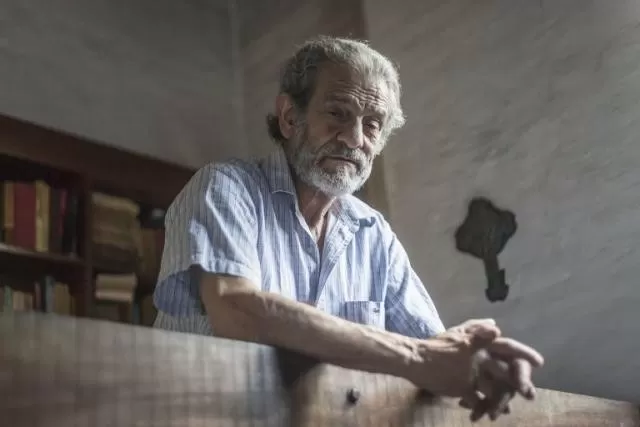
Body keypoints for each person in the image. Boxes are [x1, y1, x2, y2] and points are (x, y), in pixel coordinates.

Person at [152, 35, 544, 421]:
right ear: (290, 117)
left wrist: (479, 361)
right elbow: (237, 311)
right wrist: (417, 356)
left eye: (372, 124)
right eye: (338, 114)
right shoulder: (225, 187)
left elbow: (432, 346)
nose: (355, 139)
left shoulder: (374, 233)